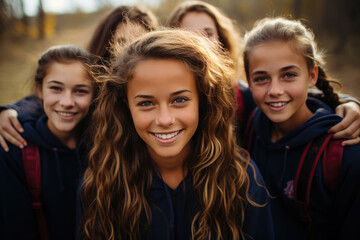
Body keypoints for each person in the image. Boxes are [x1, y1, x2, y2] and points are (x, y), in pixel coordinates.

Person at [78, 29, 274, 240]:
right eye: (146, 103)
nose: (165, 119)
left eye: (179, 100)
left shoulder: (241, 181)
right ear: (125, 106)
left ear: (203, 100)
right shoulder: (102, 186)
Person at [167, 0, 360, 147]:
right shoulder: (163, 96)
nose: (199, 43)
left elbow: (296, 98)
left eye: (207, 34)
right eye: (187, 35)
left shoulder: (243, 98)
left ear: (221, 40)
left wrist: (347, 104)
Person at [242, 17, 360, 239]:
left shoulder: (345, 151)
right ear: (248, 82)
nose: (275, 90)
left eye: (289, 75)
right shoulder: (247, 124)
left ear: (312, 76)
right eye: (261, 78)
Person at [0, 5, 159, 152]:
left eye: (138, 44)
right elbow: (49, 99)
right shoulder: (95, 82)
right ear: (106, 46)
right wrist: (11, 111)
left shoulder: (159, 85)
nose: (129, 54)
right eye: (120, 44)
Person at [0, 45, 98, 239]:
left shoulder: (104, 146)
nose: (67, 102)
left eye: (80, 91)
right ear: (39, 90)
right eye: (56, 88)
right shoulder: (15, 149)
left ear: (94, 95)